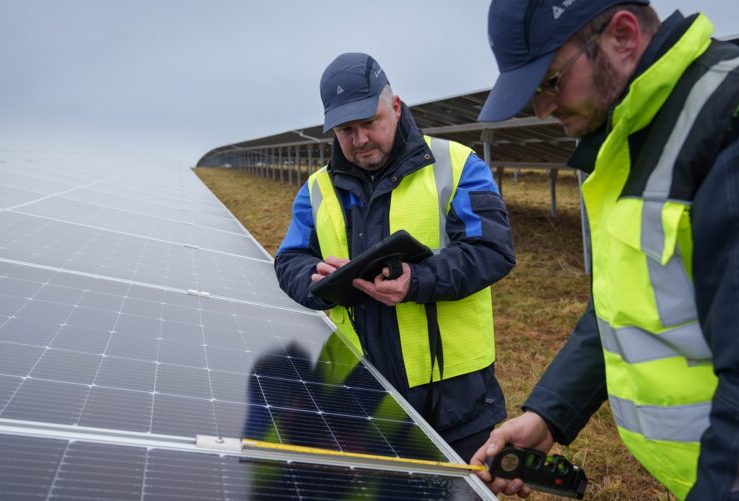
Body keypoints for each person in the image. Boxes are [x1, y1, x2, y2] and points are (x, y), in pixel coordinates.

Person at [472, 1, 739, 499]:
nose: (541, 110)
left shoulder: (723, 127)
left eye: (548, 83)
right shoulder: (632, 138)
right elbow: (625, 305)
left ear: (622, 35)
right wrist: (549, 415)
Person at [275, 52, 516, 461]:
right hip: (360, 391)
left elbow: (492, 250)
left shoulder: (457, 166)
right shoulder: (317, 189)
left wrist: (417, 280)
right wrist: (315, 282)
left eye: (370, 122)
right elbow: (289, 260)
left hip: (452, 396)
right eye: (346, 130)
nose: (360, 139)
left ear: (396, 106)